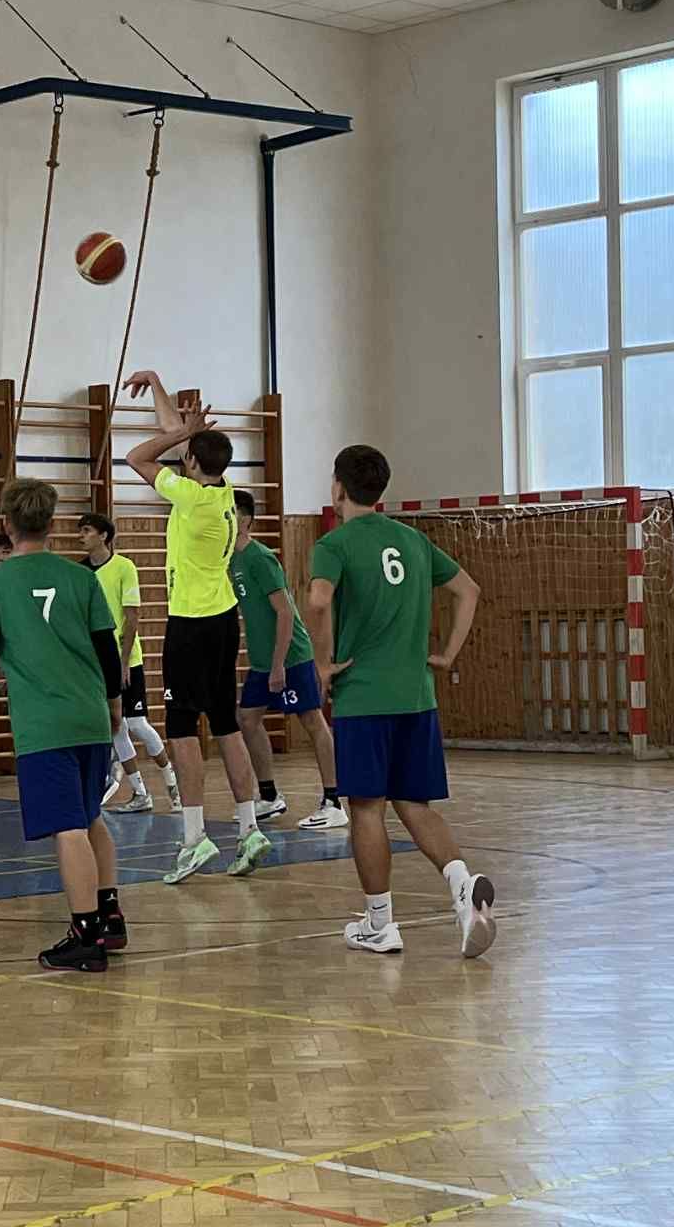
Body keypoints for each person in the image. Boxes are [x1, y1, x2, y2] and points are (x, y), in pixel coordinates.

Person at [309, 446, 495, 959]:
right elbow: (469, 591)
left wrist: (322, 664)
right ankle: (463, 884)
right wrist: (447, 655)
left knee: (366, 808)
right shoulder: (414, 541)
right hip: (417, 697)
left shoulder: (334, 544)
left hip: (364, 699)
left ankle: (380, 924)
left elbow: (319, 601)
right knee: (414, 803)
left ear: (338, 488)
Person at [0, 479, 127, 970]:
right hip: (90, 714)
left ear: (7, 525)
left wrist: (11, 657)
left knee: (68, 828)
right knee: (91, 816)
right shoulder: (81, 578)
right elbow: (107, 649)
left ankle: (85, 935)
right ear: (52, 524)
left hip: (44, 724)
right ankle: (110, 915)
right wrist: (114, 704)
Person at [120, 370, 269, 885]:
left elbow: (136, 457)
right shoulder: (224, 492)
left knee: (182, 729)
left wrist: (183, 431)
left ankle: (194, 838)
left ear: (190, 462)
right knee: (225, 723)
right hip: (224, 619)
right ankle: (249, 829)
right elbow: (175, 438)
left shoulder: (192, 498)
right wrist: (157, 384)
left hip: (192, 624)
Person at [230, 491, 347, 832]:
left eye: (230, 513)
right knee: (247, 719)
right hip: (262, 660)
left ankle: (334, 801)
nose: (223, 519)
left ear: (245, 520)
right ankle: (269, 797)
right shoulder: (231, 560)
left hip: (290, 655)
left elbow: (284, 612)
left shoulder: (259, 558)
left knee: (311, 720)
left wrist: (279, 664)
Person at [76, 513, 178, 814]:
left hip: (125, 659)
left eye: (87, 530)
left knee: (137, 724)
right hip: (95, 662)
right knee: (116, 726)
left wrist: (122, 662)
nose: (81, 536)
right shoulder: (80, 572)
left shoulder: (124, 567)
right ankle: (140, 793)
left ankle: (172, 785)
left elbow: (132, 616)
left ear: (104, 536)